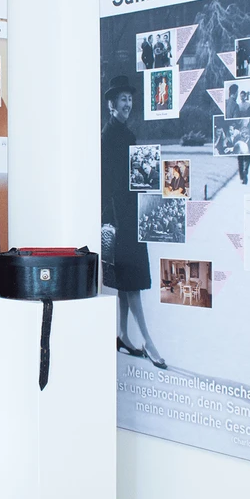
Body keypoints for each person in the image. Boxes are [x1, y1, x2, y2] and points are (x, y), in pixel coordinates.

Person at [102, 75, 166, 369]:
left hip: (128, 211)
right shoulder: (111, 136)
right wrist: (110, 220)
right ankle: (149, 342)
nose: (127, 104)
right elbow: (108, 182)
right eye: (122, 100)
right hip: (121, 216)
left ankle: (123, 336)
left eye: (129, 99)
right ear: (111, 105)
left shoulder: (122, 133)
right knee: (133, 281)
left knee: (127, 281)